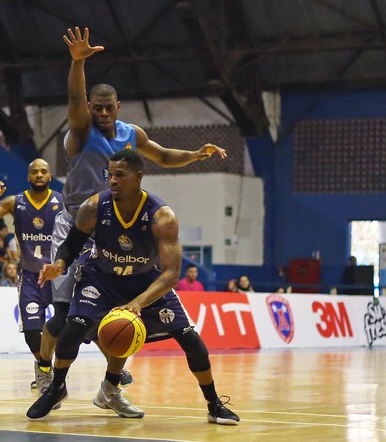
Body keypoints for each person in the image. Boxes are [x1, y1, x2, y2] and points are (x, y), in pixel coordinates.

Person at [37, 26, 228, 389]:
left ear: (118, 108)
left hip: (110, 228)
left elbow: (163, 156)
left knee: (116, 309)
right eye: (98, 108)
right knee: (63, 321)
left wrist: (196, 155)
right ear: (91, 108)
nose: (104, 113)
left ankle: (111, 381)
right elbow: (74, 98)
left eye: (110, 108)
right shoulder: (80, 130)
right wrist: (77, 64)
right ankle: (44, 366)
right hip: (75, 224)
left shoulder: (131, 133)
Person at [28, 149, 239, 425]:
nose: (112, 180)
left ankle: (213, 404)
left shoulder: (161, 217)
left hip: (146, 281)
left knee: (192, 341)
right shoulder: (94, 206)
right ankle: (56, 388)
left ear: (138, 177)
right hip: (101, 278)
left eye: (120, 175)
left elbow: (172, 274)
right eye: (109, 174)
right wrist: (59, 263)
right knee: (72, 328)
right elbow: (72, 243)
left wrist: (139, 301)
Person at [0, 158, 63, 388]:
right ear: (28, 176)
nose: (39, 175)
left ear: (50, 175)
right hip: (30, 276)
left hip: (57, 275)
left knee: (70, 325)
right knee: (32, 330)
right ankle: (45, 369)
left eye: (44, 171)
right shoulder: (15, 201)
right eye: (35, 172)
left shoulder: (62, 201)